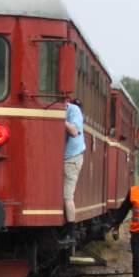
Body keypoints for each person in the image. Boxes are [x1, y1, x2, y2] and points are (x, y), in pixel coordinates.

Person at [62, 99, 85, 237]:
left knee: (67, 195)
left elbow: (74, 131)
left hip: (71, 157)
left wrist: (60, 118)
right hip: (62, 156)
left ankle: (70, 227)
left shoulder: (74, 110)